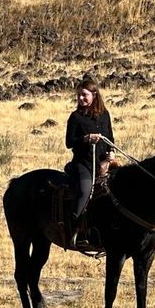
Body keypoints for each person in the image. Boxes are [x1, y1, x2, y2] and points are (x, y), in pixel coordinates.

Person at [65, 75, 115, 244]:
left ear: (94, 95)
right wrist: (85, 139)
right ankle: (74, 229)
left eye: (84, 95)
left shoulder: (104, 115)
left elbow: (111, 139)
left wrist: (111, 154)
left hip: (103, 163)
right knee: (86, 190)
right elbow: (69, 142)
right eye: (79, 95)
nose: (80, 98)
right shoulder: (75, 117)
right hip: (83, 164)